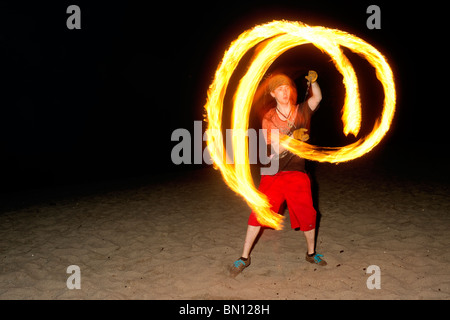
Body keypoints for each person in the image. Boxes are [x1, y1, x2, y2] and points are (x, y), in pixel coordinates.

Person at [230, 71, 327, 278]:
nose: (285, 91)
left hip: (296, 171)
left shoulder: (301, 110)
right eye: (279, 89)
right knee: (259, 212)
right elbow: (275, 149)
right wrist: (293, 137)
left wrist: (314, 82)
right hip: (272, 171)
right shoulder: (269, 117)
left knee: (308, 212)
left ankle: (311, 253)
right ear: (273, 94)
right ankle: (244, 258)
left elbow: (317, 98)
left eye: (287, 88)